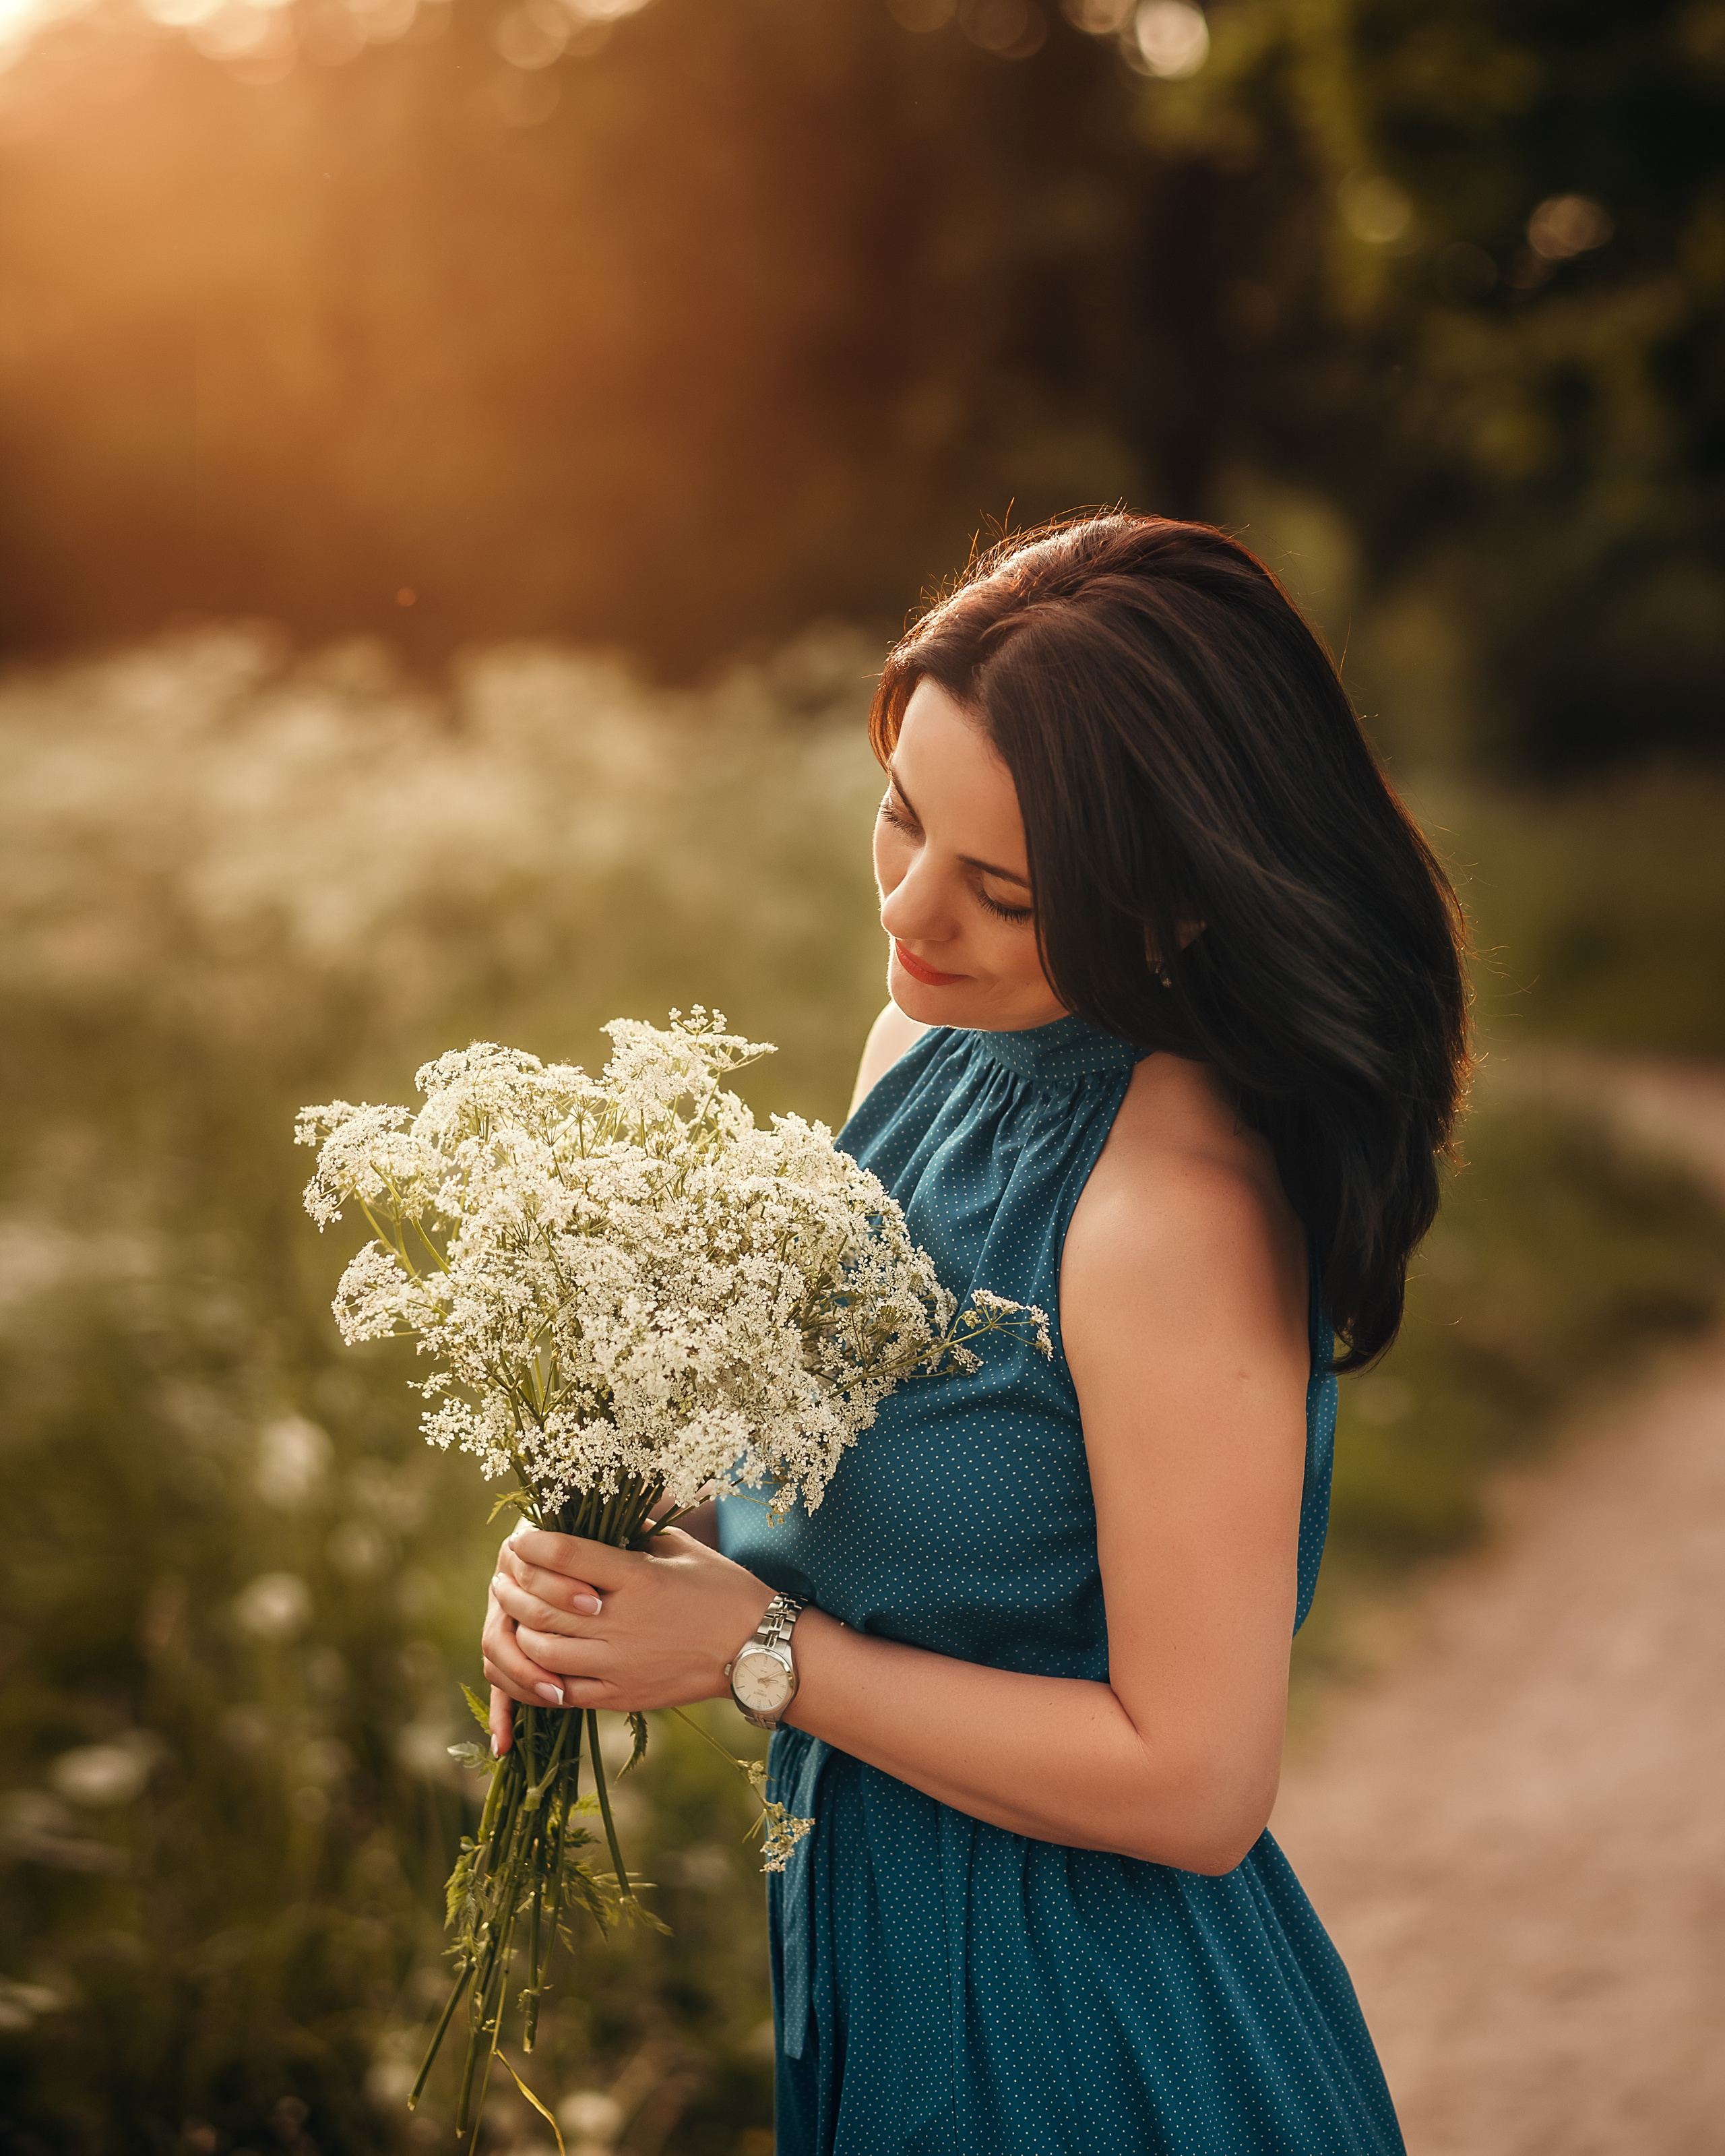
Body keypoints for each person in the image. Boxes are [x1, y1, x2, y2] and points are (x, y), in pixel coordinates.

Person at [482, 512, 1470, 2155]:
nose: (910, 913)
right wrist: (617, 1574)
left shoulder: (1171, 1213)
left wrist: (745, 1653)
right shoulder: (920, 1049)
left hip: (1076, 2032)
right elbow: (865, 1498)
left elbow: (1198, 1785)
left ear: (1178, 913)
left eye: (1000, 889)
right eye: (899, 815)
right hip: (870, 1955)